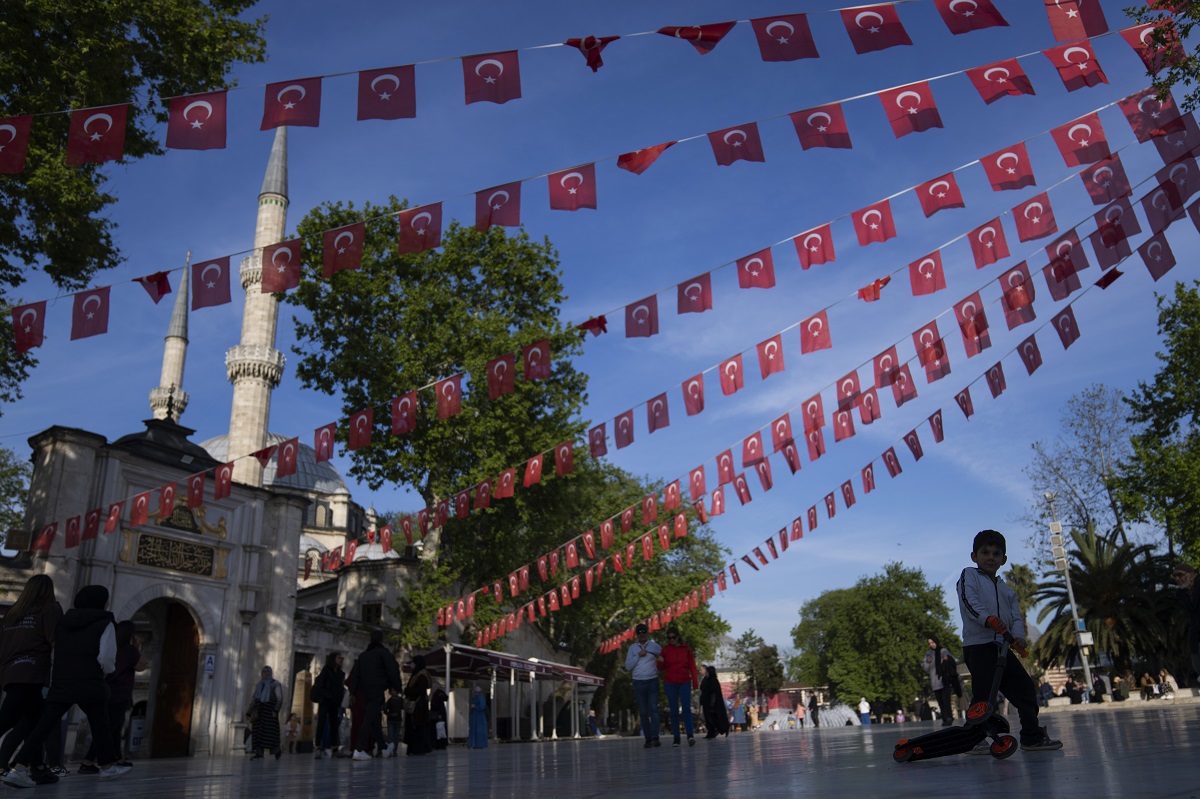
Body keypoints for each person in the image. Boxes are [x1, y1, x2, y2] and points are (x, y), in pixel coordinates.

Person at [6, 586, 130, 787]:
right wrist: (104, 671)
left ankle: (18, 768)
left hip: (62, 681)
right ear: (102, 601)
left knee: (43, 726)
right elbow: (106, 657)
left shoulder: (63, 622)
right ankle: (107, 767)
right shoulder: (105, 623)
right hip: (90, 681)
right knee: (101, 725)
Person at [957, 529, 1062, 752]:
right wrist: (988, 620)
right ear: (974, 556)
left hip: (1002, 647)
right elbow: (969, 602)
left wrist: (1019, 639)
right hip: (979, 645)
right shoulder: (969, 576)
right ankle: (973, 738)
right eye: (985, 552)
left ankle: (1031, 737)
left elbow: (1015, 617)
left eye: (996, 554)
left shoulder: (1007, 591)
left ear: (1003, 560)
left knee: (1025, 689)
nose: (990, 557)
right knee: (984, 694)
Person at [0, 575, 63, 786]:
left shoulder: (12, 614)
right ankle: (33, 769)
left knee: (34, 721)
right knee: (7, 719)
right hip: (32, 672)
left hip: (10, 672)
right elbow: (56, 640)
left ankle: (37, 769)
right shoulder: (49, 609)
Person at [78, 620, 148, 773]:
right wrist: (138, 648)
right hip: (120, 694)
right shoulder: (129, 650)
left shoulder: (112, 647)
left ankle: (118, 758)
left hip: (106, 691)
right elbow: (143, 665)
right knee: (107, 729)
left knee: (116, 726)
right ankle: (88, 761)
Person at [348, 630, 402, 760]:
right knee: (369, 719)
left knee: (374, 719)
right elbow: (392, 671)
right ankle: (359, 748)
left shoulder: (363, 656)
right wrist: (397, 687)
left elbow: (355, 675)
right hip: (377, 690)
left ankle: (383, 748)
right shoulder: (384, 653)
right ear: (381, 640)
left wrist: (352, 693)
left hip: (365, 691)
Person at [623, 622, 663, 748]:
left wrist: (660, 661)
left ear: (647, 633)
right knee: (643, 712)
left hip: (652, 681)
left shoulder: (654, 646)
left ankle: (656, 737)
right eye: (639, 632)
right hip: (638, 682)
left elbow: (664, 658)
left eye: (643, 632)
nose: (641, 634)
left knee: (654, 710)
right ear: (636, 635)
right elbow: (628, 667)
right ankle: (648, 739)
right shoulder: (632, 649)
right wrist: (638, 656)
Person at [658, 626, 699, 747]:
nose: (671, 640)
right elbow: (660, 668)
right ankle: (676, 738)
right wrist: (659, 661)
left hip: (684, 681)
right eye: (669, 638)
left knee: (686, 708)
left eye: (673, 637)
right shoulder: (665, 650)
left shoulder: (686, 649)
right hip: (670, 682)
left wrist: (695, 683)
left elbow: (692, 666)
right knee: (673, 710)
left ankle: (690, 735)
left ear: (678, 637)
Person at [311, 651, 346, 758]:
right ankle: (318, 748)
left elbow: (340, 688)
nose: (341, 660)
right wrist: (329, 696)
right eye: (339, 658)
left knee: (334, 725)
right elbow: (320, 686)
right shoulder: (326, 671)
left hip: (335, 703)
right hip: (325, 702)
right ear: (333, 659)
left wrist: (339, 699)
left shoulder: (340, 673)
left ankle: (335, 748)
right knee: (321, 724)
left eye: (341, 658)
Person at [247, 665, 284, 760]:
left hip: (270, 713)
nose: (266, 673)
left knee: (270, 733)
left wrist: (276, 710)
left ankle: (277, 750)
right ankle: (259, 753)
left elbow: (279, 699)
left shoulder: (275, 684)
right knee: (258, 733)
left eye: (267, 672)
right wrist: (249, 712)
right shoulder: (259, 685)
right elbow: (254, 699)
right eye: (264, 672)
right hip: (259, 713)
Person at [1173, 563, 1200, 686]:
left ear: (1192, 575)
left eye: (1180, 575)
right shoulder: (1181, 594)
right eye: (1175, 577)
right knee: (1197, 665)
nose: (1178, 579)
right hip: (1195, 635)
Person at [403, 655, 433, 756]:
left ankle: (417, 749)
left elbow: (417, 691)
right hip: (418, 707)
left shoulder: (421, 676)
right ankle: (414, 748)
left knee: (417, 728)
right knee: (416, 728)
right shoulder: (419, 675)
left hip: (418, 708)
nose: (411, 665)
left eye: (413, 663)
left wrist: (408, 691)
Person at [922, 637, 955, 727]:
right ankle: (945, 718)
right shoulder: (928, 654)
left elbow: (952, 661)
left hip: (944, 680)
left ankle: (949, 717)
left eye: (932, 642)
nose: (931, 644)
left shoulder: (943, 651)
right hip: (935, 682)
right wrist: (928, 662)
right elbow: (924, 667)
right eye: (929, 643)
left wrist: (946, 659)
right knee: (940, 702)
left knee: (946, 701)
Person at [699, 665, 728, 739]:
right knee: (708, 718)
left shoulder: (713, 680)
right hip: (706, 703)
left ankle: (717, 730)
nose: (706, 673)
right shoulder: (706, 679)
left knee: (713, 718)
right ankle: (711, 732)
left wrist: (712, 703)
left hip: (712, 704)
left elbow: (714, 693)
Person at [385, 688, 404, 756]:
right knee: (391, 736)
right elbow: (385, 709)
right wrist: (390, 714)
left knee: (396, 736)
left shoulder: (400, 700)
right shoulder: (390, 701)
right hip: (391, 720)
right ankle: (390, 750)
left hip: (397, 720)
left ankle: (394, 750)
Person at [430, 683, 449, 749]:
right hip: (441, 713)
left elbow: (435, 705)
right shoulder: (441, 693)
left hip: (437, 714)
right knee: (441, 728)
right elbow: (446, 698)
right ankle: (442, 743)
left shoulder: (435, 695)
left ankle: (437, 744)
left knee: (436, 729)